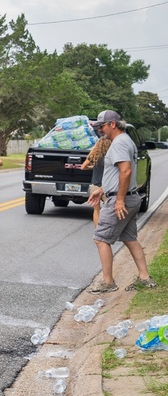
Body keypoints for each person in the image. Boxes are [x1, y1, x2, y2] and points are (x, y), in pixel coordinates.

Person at [87, 110, 156, 293]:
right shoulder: (125, 141)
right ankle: (145, 278)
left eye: (101, 126)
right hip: (130, 197)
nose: (100, 130)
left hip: (122, 199)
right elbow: (118, 173)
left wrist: (118, 200)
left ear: (112, 124)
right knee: (130, 239)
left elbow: (125, 172)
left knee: (101, 239)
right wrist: (102, 189)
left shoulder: (118, 143)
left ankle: (108, 282)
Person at [81, 122, 112, 227]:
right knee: (110, 211)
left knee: (96, 210)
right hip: (107, 187)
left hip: (95, 185)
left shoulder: (94, 155)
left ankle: (97, 231)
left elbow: (83, 167)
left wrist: (92, 167)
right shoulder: (112, 156)